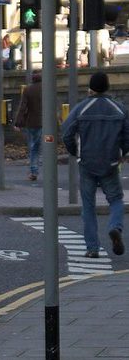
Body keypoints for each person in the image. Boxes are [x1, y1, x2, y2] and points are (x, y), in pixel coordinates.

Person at [62, 72, 129, 259]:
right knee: (115, 200)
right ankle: (115, 227)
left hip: (87, 162)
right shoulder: (119, 109)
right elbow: (127, 135)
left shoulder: (82, 108)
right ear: (107, 86)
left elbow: (66, 132)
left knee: (88, 206)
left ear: (90, 87)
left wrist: (75, 151)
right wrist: (122, 152)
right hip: (110, 162)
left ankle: (92, 248)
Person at [14, 70, 42, 181]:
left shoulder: (28, 90)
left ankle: (34, 171)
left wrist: (18, 123)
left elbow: (23, 107)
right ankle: (51, 171)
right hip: (45, 122)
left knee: (33, 147)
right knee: (46, 146)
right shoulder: (48, 88)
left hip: (31, 122)